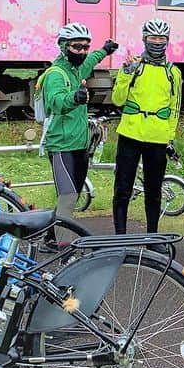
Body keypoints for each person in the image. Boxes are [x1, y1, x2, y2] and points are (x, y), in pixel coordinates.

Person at [41, 22, 118, 247]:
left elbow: (91, 60)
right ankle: (63, 246)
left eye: (86, 46)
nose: (82, 52)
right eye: (77, 47)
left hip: (80, 144)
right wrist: (74, 98)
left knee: (72, 194)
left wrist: (104, 50)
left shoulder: (76, 70)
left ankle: (50, 235)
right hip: (61, 145)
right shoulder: (55, 74)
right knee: (67, 195)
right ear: (63, 46)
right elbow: (55, 101)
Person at [110, 18, 183, 235]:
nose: (157, 43)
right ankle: (119, 237)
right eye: (153, 38)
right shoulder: (134, 66)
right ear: (144, 39)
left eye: (161, 39)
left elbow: (174, 109)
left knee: (154, 191)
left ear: (167, 41)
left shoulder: (173, 73)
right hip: (130, 133)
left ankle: (152, 236)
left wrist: (170, 138)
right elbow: (117, 99)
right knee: (122, 188)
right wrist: (126, 73)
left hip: (157, 138)